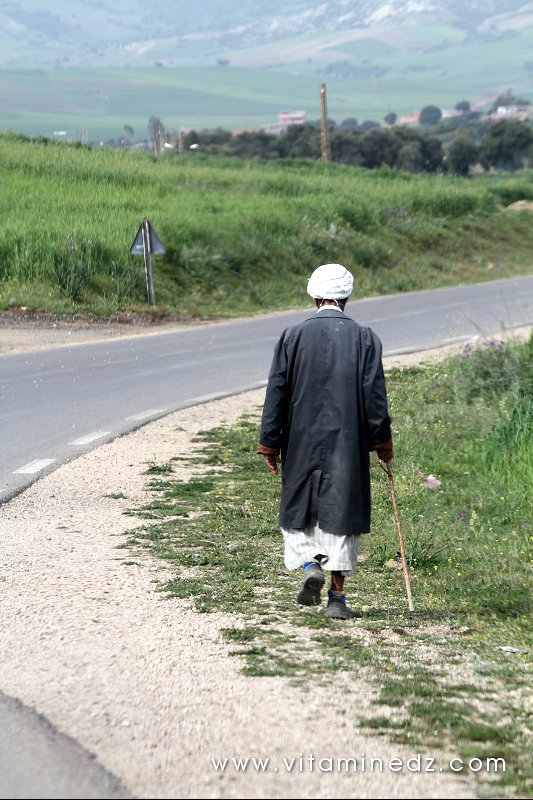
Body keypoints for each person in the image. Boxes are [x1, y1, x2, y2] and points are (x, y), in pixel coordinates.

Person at [257, 263, 393, 619]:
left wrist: (269, 443)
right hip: (347, 441)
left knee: (300, 508)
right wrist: (382, 441)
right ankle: (336, 599)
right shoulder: (365, 338)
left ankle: (308, 566)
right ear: (346, 297)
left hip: (300, 439)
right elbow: (374, 396)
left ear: (314, 295)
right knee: (341, 513)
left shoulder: (292, 336)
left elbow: (277, 392)